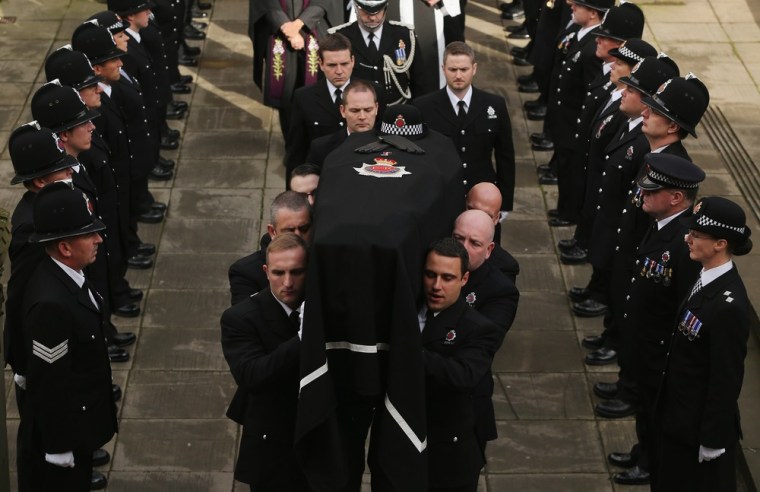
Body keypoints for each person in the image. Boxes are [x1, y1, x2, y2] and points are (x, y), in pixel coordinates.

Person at [19, 181, 118, 491]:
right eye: (89, 234)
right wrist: (59, 446)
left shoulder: (67, 276)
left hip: (81, 424)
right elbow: (50, 381)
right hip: (65, 435)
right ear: (65, 248)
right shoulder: (51, 304)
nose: (99, 239)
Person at [654, 196, 752, 491]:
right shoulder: (704, 277)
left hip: (696, 428)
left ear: (720, 244)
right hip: (677, 417)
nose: (687, 239)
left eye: (696, 235)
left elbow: (726, 378)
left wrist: (712, 439)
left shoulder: (729, 306)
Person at [221, 233, 310, 492]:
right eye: (278, 273)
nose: (288, 282)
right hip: (273, 443)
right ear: (265, 271)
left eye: (296, 272)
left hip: (319, 441)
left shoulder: (322, 306)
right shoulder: (240, 318)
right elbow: (252, 375)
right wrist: (304, 337)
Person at [418, 237, 500, 492]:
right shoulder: (410, 311)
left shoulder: (477, 328)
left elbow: (462, 375)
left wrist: (409, 351)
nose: (436, 286)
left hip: (447, 456)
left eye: (447, 278)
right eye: (430, 275)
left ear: (464, 279)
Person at [414, 41, 516, 211]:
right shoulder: (423, 107)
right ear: (443, 68)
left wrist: (504, 203)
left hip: (482, 198)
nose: (458, 75)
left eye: (464, 69)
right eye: (453, 70)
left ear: (474, 69)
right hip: (440, 198)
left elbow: (505, 157)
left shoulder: (494, 105)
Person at [452, 211, 519, 456]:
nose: (463, 248)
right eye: (458, 239)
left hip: (464, 404)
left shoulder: (500, 291)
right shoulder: (431, 268)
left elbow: (480, 345)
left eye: (474, 243)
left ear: (489, 249)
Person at [247, 0, 340, 136]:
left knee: (317, 97)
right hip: (279, 34)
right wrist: (285, 26)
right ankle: (291, 145)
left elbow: (324, 3)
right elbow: (267, 4)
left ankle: (314, 144)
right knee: (286, 96)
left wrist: (298, 24)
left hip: (315, 30)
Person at [284, 33, 356, 181]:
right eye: (331, 65)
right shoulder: (304, 98)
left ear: (353, 61)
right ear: (321, 64)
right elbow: (296, 152)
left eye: (344, 64)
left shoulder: (371, 92)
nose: (339, 71)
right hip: (321, 180)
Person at [329, 0, 421, 105]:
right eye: (366, 12)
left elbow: (419, 82)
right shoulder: (339, 37)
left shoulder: (404, 35)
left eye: (377, 12)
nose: (372, 17)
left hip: (396, 112)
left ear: (385, 8)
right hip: (356, 113)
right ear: (356, 8)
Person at [228, 191, 312, 305]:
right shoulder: (246, 272)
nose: (298, 236)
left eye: (304, 229)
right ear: (272, 231)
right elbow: (243, 320)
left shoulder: (326, 263)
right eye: (289, 231)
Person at [307, 79, 380, 168]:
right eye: (355, 110)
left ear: (376, 108)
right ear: (343, 111)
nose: (362, 117)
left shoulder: (390, 146)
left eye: (368, 110)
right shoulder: (321, 148)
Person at [464, 182, 519, 281]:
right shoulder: (438, 244)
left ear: (496, 219)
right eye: (472, 210)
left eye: (486, 215)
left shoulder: (504, 266)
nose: (476, 219)